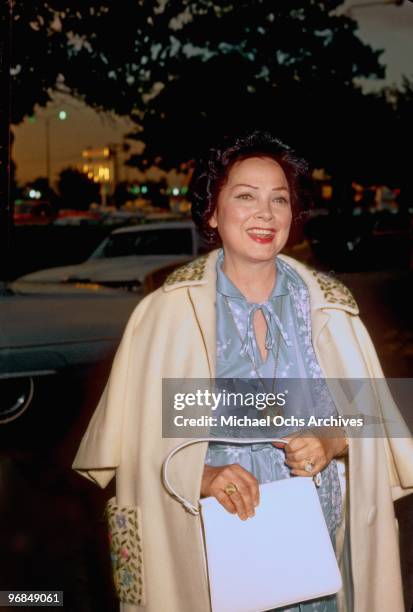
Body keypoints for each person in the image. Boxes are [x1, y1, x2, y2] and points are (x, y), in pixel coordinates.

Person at [73, 131, 413, 612]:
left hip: (321, 554)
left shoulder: (331, 310)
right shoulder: (167, 315)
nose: (266, 213)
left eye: (280, 199)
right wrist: (206, 475)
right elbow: (138, 446)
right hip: (211, 557)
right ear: (212, 212)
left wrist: (331, 440)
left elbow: (373, 419)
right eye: (246, 196)